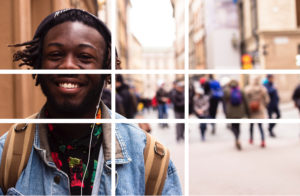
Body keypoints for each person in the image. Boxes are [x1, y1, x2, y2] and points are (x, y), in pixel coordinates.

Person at [0, 9, 182, 195]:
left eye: (85, 57)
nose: (68, 65)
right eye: (55, 55)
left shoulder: (149, 160)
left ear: (106, 70)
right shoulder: (7, 156)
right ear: (38, 64)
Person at [245, 76, 270, 148]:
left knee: (251, 126)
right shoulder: (263, 89)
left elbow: (245, 99)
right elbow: (267, 100)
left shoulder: (248, 89)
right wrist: (263, 105)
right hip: (260, 110)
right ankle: (262, 141)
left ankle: (251, 139)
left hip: (251, 110)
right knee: (260, 126)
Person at [223, 80, 249, 150]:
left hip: (230, 112)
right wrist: (248, 113)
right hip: (239, 112)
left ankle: (236, 138)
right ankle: (237, 139)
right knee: (238, 126)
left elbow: (224, 103)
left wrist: (225, 113)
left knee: (233, 126)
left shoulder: (226, 91)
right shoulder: (240, 90)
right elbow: (246, 101)